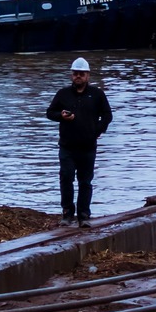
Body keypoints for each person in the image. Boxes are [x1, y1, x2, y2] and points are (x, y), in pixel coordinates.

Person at [45, 57, 111, 225]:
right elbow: (50, 112)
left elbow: (107, 115)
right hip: (67, 146)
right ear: (71, 75)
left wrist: (97, 130)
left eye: (81, 74)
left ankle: (84, 216)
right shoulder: (63, 94)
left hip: (88, 146)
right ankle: (67, 213)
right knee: (66, 178)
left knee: (85, 181)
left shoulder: (97, 94)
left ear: (88, 75)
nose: (78, 77)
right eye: (75, 74)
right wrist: (61, 116)